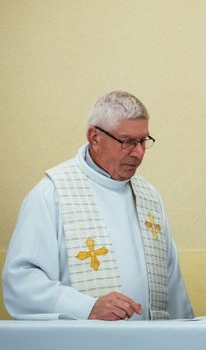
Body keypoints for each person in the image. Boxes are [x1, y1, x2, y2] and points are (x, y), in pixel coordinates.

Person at [2, 91, 193, 320]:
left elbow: (171, 283)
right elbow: (22, 281)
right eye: (128, 142)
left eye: (143, 141)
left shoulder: (149, 197)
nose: (139, 152)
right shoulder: (52, 194)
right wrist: (86, 307)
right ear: (94, 137)